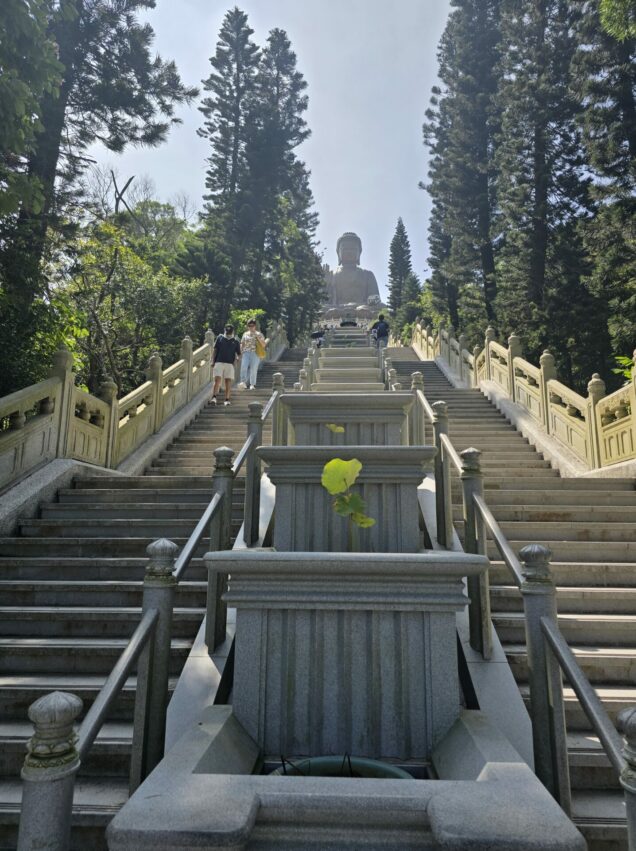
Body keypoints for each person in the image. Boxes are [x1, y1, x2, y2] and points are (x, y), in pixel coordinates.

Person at [211, 324, 241, 406]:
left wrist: (237, 358)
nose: (228, 333)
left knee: (228, 381)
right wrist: (212, 361)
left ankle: (227, 399)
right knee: (217, 380)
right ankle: (214, 397)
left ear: (233, 331)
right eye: (227, 332)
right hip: (219, 362)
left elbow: (238, 353)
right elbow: (215, 350)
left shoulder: (236, 341)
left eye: (230, 332)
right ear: (225, 331)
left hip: (229, 363)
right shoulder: (220, 338)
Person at [237, 319, 268, 390]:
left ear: (255, 326)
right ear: (247, 326)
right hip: (246, 353)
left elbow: (263, 345)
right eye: (249, 326)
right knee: (243, 367)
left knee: (253, 369)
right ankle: (243, 382)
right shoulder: (245, 334)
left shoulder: (259, 334)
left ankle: (252, 384)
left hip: (255, 353)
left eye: (252, 325)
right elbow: (242, 344)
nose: (251, 327)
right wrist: (239, 354)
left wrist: (257, 336)